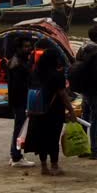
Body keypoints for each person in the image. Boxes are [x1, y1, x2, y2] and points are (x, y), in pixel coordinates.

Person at [23, 38, 75, 176]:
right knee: (53, 138)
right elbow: (63, 95)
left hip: (37, 111)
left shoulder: (34, 73)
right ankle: (55, 165)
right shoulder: (57, 75)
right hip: (53, 112)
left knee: (40, 138)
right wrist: (71, 110)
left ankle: (44, 167)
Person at [74, 26, 97, 160]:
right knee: (96, 120)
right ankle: (94, 149)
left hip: (84, 89)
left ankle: (83, 148)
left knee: (85, 118)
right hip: (96, 90)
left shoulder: (82, 48)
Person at [5, 37, 36, 168]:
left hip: (17, 100)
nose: (28, 49)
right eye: (25, 46)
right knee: (19, 129)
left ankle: (15, 154)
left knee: (19, 128)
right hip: (20, 101)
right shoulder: (18, 64)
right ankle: (16, 157)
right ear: (18, 48)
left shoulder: (17, 61)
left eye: (29, 46)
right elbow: (21, 86)